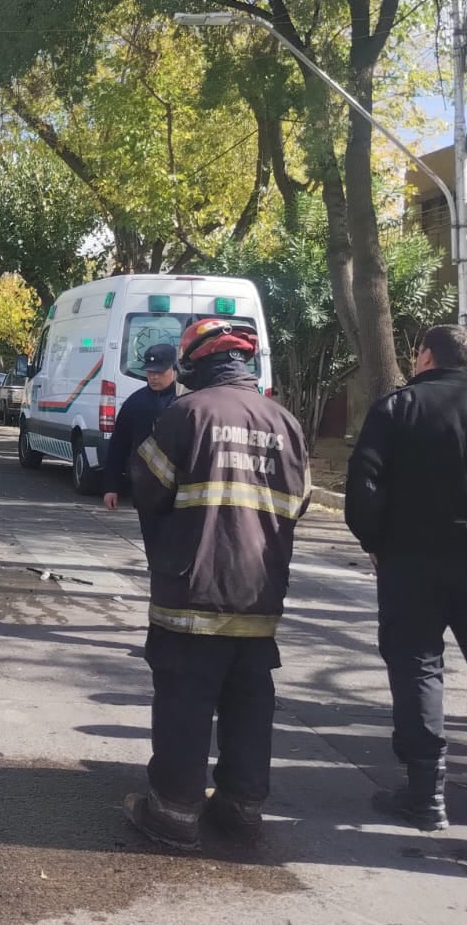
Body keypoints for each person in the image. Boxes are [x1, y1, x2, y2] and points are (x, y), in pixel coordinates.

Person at [122, 317, 310, 850]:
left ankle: (175, 813)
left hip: (192, 590)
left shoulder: (187, 414)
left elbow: (149, 489)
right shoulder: (286, 423)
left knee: (184, 700)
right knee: (250, 702)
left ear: (195, 364)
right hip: (259, 594)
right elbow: (298, 504)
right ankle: (242, 809)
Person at [346, 325, 467, 834]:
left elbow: (363, 487)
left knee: (417, 671)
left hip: (409, 564)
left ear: (426, 356)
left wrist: (376, 542)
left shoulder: (394, 410)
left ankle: (426, 794)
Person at [102, 343, 181, 510]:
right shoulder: (135, 402)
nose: (154, 377)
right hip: (145, 489)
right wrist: (111, 487)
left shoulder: (186, 401)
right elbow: (118, 446)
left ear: (174, 369)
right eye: (150, 372)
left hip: (180, 491)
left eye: (160, 372)